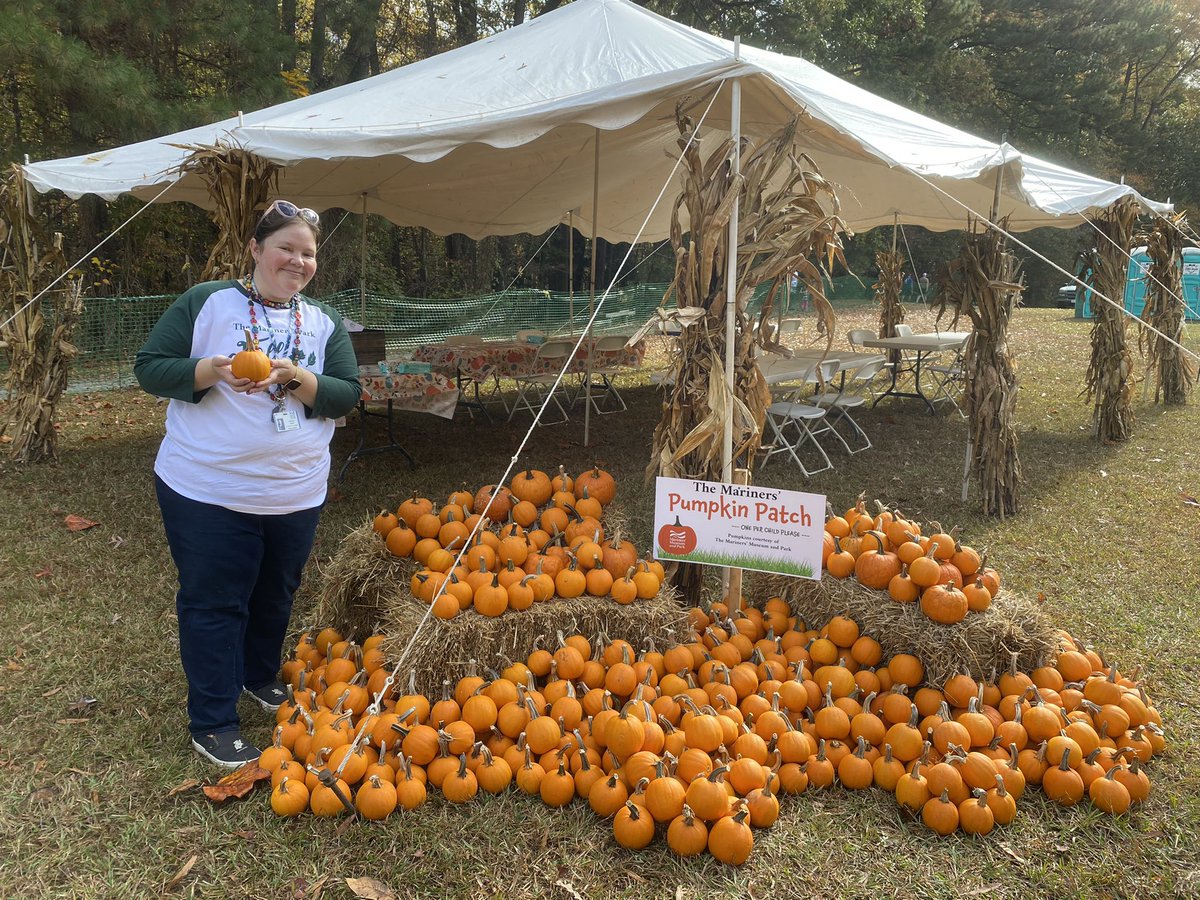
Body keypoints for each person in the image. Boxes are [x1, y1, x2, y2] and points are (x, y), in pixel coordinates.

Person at [135, 200, 361, 767]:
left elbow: (347, 393)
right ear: (256, 250)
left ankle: (258, 675)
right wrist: (212, 369)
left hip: (295, 491)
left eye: (308, 253)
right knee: (215, 601)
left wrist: (300, 378)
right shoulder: (208, 302)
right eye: (286, 247)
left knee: (275, 592)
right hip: (208, 489)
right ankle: (212, 721)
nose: (298, 260)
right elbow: (149, 365)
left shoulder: (323, 322)